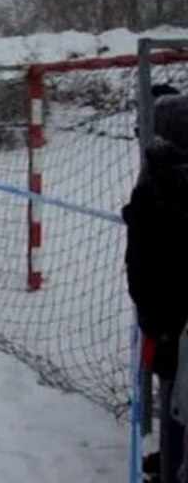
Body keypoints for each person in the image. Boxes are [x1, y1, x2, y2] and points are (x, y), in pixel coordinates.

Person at [124, 94, 188, 483]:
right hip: (169, 317)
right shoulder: (157, 180)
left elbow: (143, 265)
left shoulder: (157, 183)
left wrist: (154, 322)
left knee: (174, 400)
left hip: (169, 320)